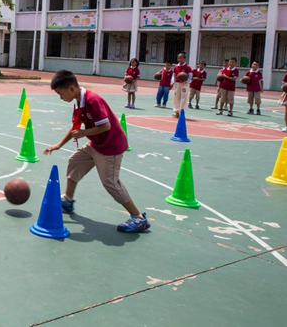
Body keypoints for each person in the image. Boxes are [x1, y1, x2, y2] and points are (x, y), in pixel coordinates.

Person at [43, 70, 149, 233]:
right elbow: (75, 128)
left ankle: (138, 218)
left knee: (110, 183)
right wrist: (59, 145)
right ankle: (68, 200)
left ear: (71, 88)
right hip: (96, 144)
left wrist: (84, 133)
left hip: (110, 147)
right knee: (75, 162)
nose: (60, 98)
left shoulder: (93, 100)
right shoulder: (78, 102)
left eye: (60, 94)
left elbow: (105, 126)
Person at [171, 53, 192, 119]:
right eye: (178, 58)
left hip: (184, 84)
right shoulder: (176, 66)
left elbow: (190, 75)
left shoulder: (187, 67)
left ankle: (182, 112)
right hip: (177, 83)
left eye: (181, 58)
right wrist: (172, 82)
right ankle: (177, 112)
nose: (180, 59)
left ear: (184, 58)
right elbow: (174, 75)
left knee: (184, 98)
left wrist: (187, 81)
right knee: (176, 98)